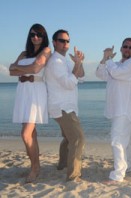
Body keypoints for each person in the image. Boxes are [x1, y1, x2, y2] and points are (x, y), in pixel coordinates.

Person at [9, 23, 51, 183]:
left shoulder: (46, 51)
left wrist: (17, 67)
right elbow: (11, 72)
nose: (35, 37)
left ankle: (35, 168)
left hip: (35, 92)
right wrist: (18, 68)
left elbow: (35, 69)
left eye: (39, 35)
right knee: (31, 134)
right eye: (33, 34)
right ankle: (36, 165)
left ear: (43, 37)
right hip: (23, 92)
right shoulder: (23, 53)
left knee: (25, 134)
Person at [95, 38, 131, 182]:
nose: (128, 49)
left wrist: (108, 59)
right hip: (117, 108)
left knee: (117, 140)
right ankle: (128, 166)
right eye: (125, 47)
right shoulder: (118, 64)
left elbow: (116, 73)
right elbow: (100, 74)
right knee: (124, 141)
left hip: (125, 108)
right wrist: (104, 59)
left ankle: (118, 174)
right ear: (121, 49)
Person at [45, 29, 85, 182]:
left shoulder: (65, 60)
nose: (65, 44)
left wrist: (79, 62)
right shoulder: (55, 62)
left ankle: (62, 164)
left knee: (69, 138)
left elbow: (80, 77)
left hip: (68, 106)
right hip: (61, 106)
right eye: (62, 41)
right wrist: (76, 66)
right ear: (54, 42)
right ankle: (73, 175)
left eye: (67, 41)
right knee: (78, 138)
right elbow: (69, 83)